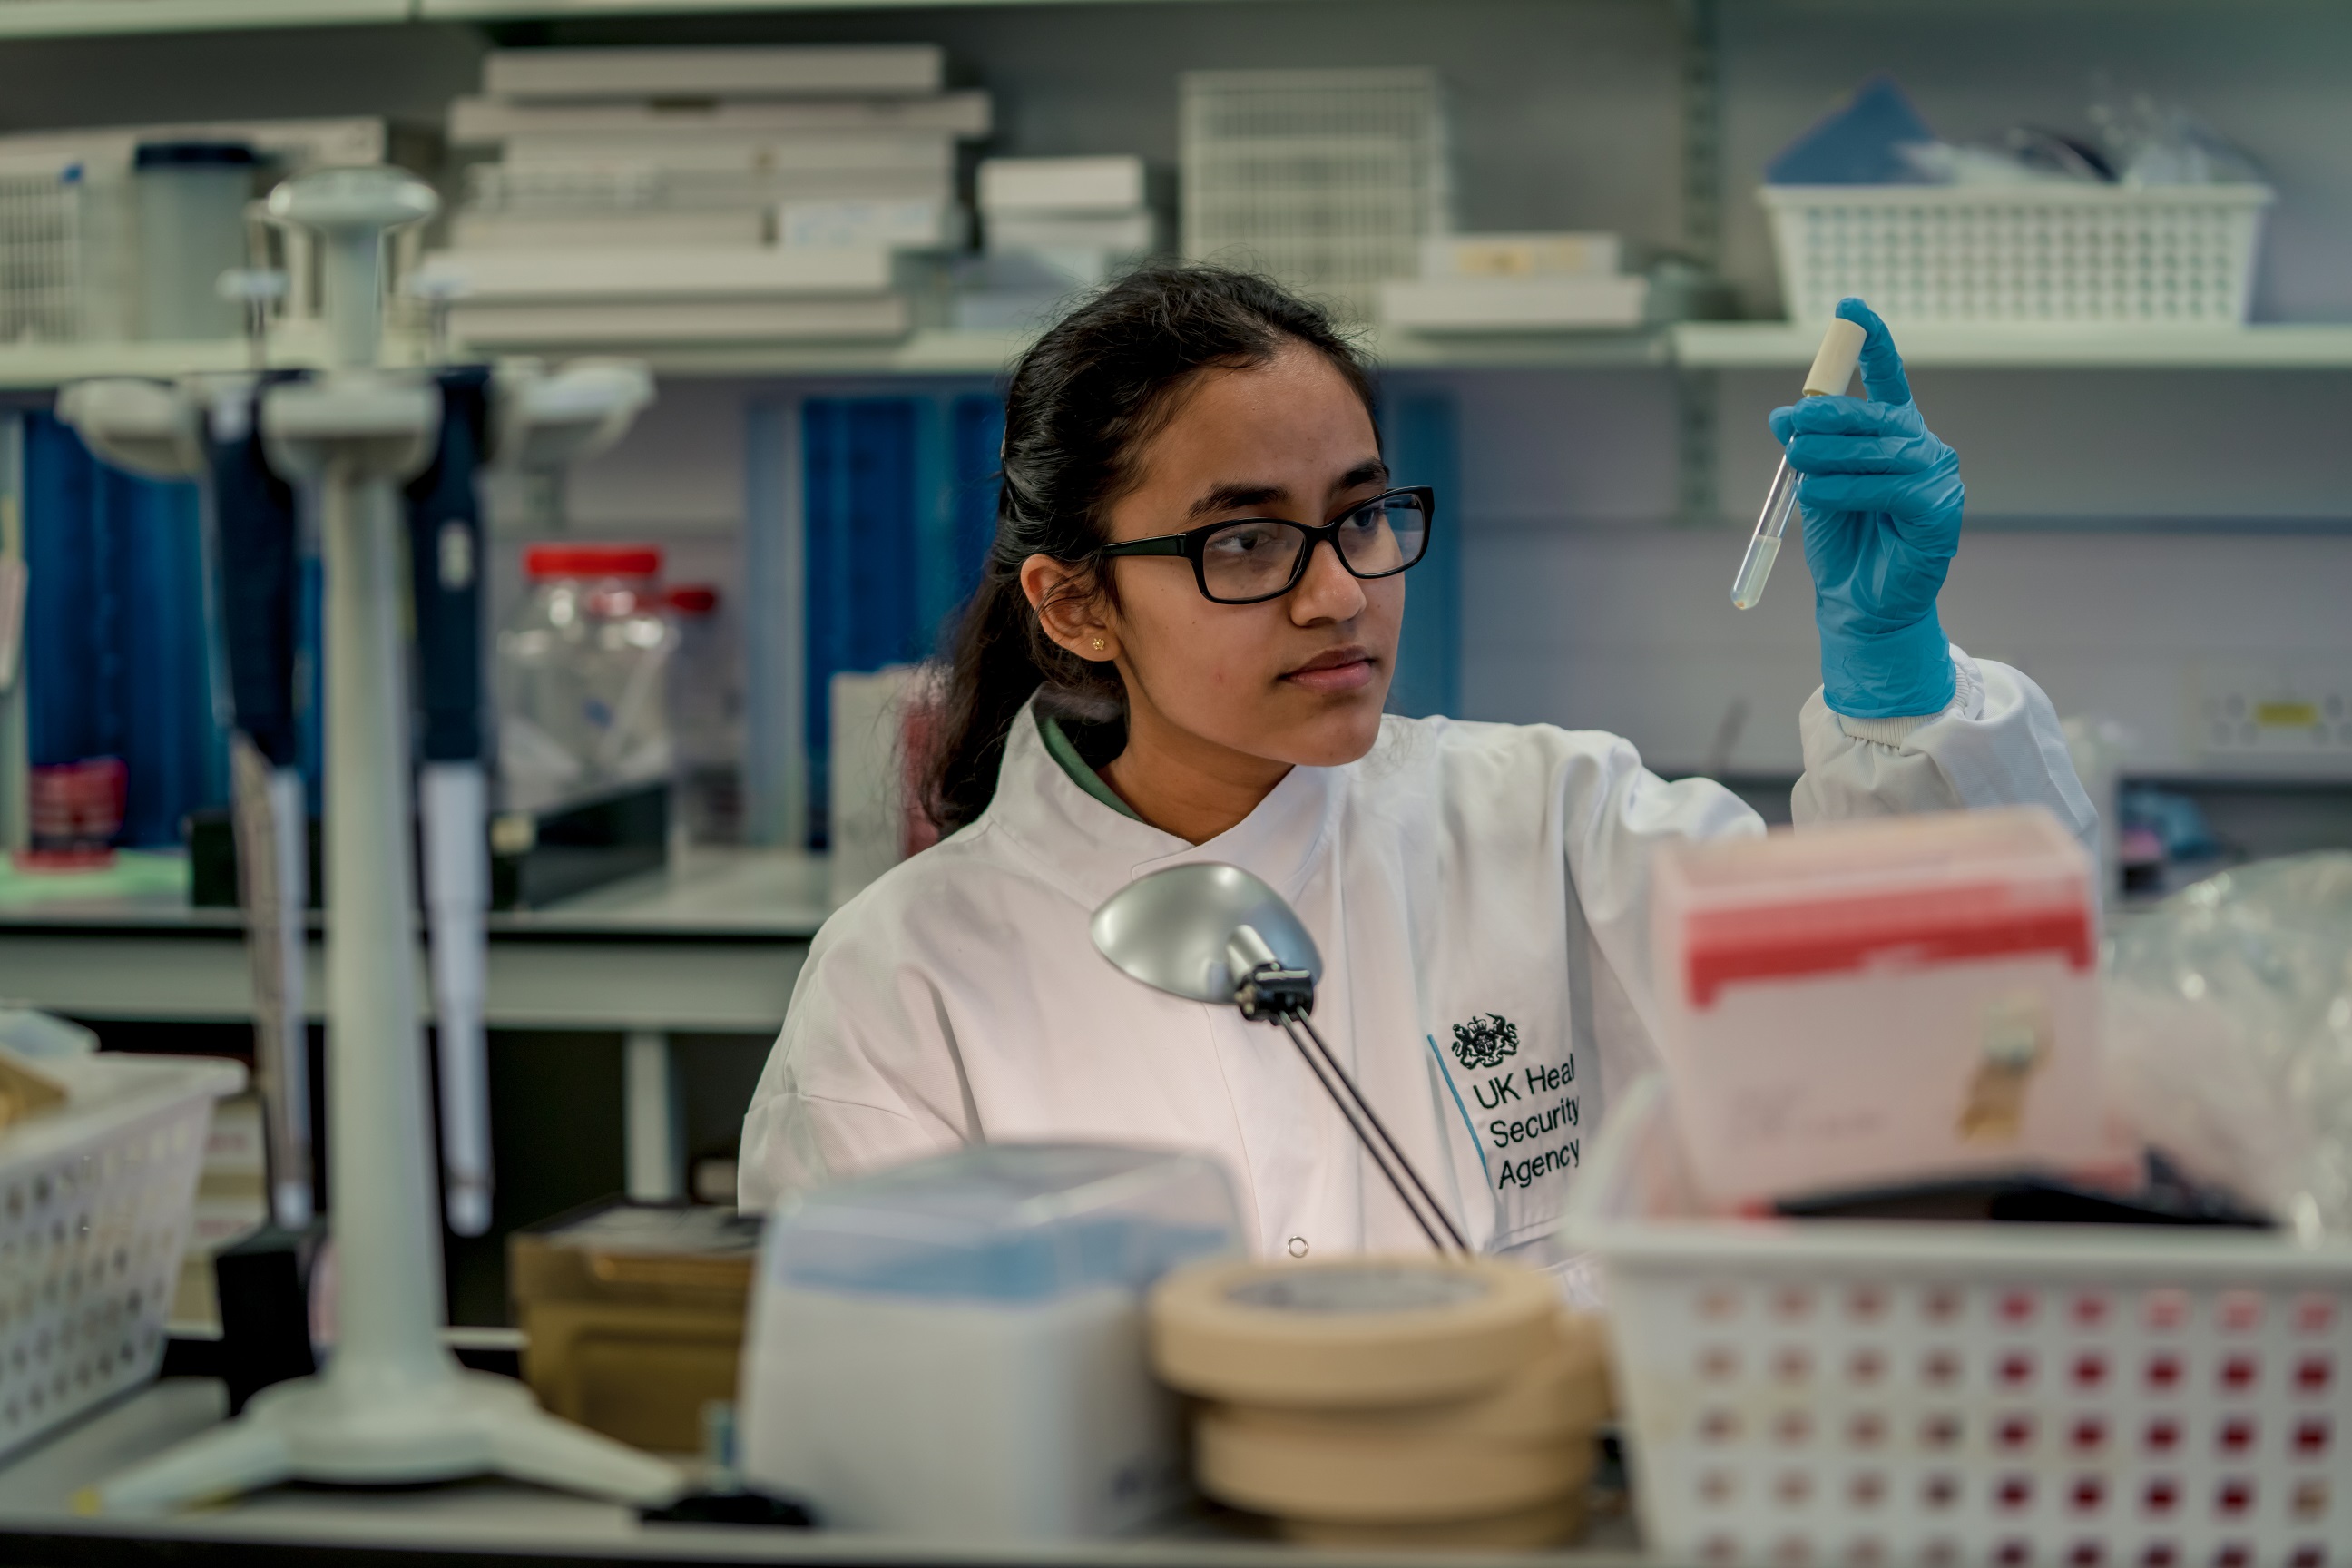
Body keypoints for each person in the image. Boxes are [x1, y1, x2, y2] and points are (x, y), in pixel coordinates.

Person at [739, 265, 2092, 1271]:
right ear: (1078, 604)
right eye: (1247, 543)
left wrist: (1898, 687)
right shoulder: (907, 984)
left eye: (1363, 516)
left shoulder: (1559, 824)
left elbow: (1959, 1067)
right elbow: (886, 1406)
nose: (1340, 596)